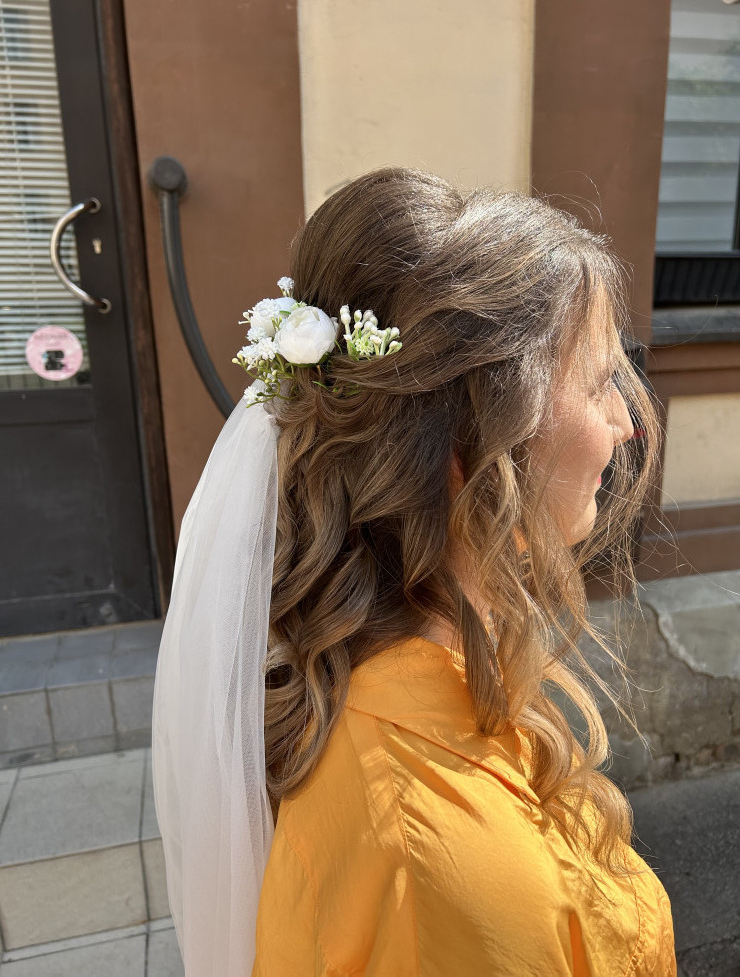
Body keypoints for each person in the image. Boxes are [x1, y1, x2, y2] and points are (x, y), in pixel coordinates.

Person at [152, 166, 677, 976]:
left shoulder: (431, 672)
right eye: (602, 379)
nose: (625, 424)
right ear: (475, 443)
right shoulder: (424, 853)